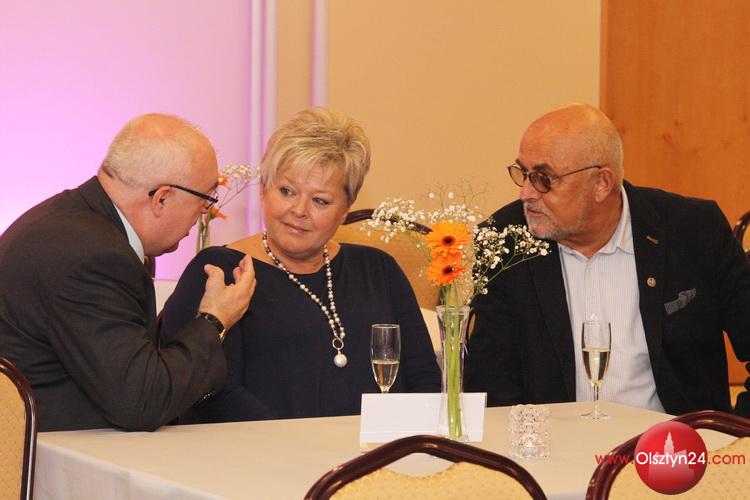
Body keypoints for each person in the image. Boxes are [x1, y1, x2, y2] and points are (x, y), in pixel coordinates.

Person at [465, 103, 750, 417]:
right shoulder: (504, 239)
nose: (526, 194)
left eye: (544, 179)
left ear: (602, 183)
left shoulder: (693, 229)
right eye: (524, 174)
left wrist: (735, 431)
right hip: (555, 441)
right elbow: (491, 380)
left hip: (677, 438)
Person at [161, 107, 441, 422]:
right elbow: (211, 394)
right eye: (287, 191)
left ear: (345, 210)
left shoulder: (378, 270)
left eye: (320, 200)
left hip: (380, 449)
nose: (299, 210)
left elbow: (422, 377)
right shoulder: (218, 272)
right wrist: (297, 443)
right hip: (261, 449)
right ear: (264, 191)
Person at [0, 113, 256, 431]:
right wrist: (215, 320)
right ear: (162, 198)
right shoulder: (95, 257)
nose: (202, 216)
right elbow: (142, 402)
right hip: (53, 452)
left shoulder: (66, 222)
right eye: (205, 200)